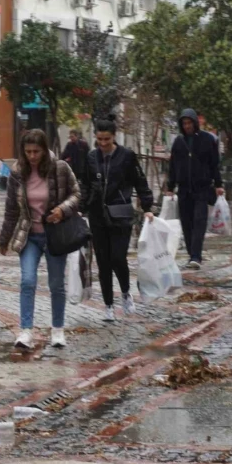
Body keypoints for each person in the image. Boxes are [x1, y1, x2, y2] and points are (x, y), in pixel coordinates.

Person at [0, 129, 80, 349]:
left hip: (54, 235)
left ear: (44, 150)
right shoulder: (17, 173)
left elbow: (76, 194)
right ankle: (25, 331)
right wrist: (4, 239)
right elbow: (11, 209)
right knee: (27, 281)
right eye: (28, 152)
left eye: (36, 151)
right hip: (29, 236)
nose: (32, 156)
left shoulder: (60, 168)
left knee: (56, 284)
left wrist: (62, 210)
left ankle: (58, 330)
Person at [79, 115, 154, 322]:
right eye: (100, 139)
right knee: (103, 262)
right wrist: (80, 208)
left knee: (117, 257)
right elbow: (84, 184)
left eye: (107, 140)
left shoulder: (127, 156)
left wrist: (147, 206)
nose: (103, 144)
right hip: (97, 215)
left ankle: (126, 292)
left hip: (120, 214)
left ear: (114, 137)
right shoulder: (91, 157)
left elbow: (141, 182)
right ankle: (108, 305)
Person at [165, 108, 224, 270]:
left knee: (199, 221)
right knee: (187, 223)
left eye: (189, 123)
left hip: (202, 188)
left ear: (195, 123)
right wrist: (170, 187)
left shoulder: (207, 140)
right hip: (184, 189)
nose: (187, 126)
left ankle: (196, 256)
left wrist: (218, 184)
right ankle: (192, 254)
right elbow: (173, 166)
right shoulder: (179, 142)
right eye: (184, 123)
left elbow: (214, 164)